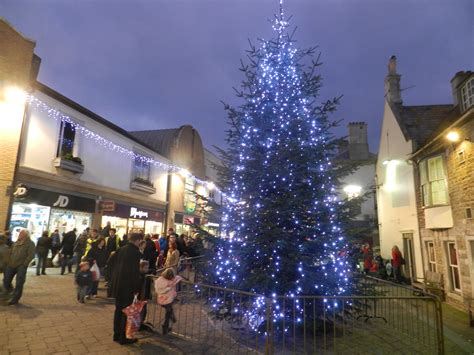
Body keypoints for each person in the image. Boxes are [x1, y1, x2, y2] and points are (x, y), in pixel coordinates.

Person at [110, 233, 142, 345]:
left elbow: (110, 263)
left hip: (118, 285)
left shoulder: (121, 249)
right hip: (127, 286)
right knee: (125, 312)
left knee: (118, 310)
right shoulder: (135, 253)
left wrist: (112, 278)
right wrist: (136, 288)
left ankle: (116, 334)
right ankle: (123, 337)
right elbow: (135, 272)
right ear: (137, 240)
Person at [2, 229, 35, 305]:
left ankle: (15, 299)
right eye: (20, 233)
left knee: (19, 282)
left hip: (21, 266)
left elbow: (31, 255)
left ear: (26, 235)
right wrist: (8, 261)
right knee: (6, 280)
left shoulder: (30, 243)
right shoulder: (16, 242)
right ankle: (7, 294)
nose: (19, 234)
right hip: (11, 264)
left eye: (21, 233)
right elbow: (11, 252)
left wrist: (24, 264)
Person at [154, 268, 183, 335]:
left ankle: (170, 323)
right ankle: (166, 326)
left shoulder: (159, 280)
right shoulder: (170, 282)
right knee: (168, 313)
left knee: (169, 311)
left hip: (161, 300)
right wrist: (169, 288)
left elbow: (157, 289)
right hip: (167, 301)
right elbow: (178, 278)